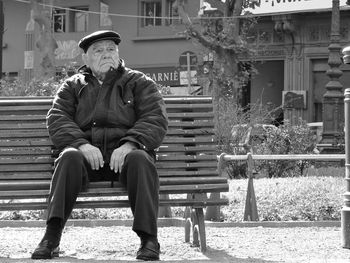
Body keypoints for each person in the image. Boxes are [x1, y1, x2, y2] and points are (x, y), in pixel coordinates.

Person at [31, 30, 168, 261]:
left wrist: (130, 144)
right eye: (98, 50)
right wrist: (81, 144)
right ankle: (51, 237)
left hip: (124, 160)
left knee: (141, 159)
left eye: (111, 49)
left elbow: (155, 117)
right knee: (69, 157)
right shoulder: (72, 86)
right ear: (85, 58)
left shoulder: (139, 82)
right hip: (85, 160)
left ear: (118, 53)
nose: (106, 54)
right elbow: (57, 118)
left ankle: (149, 240)